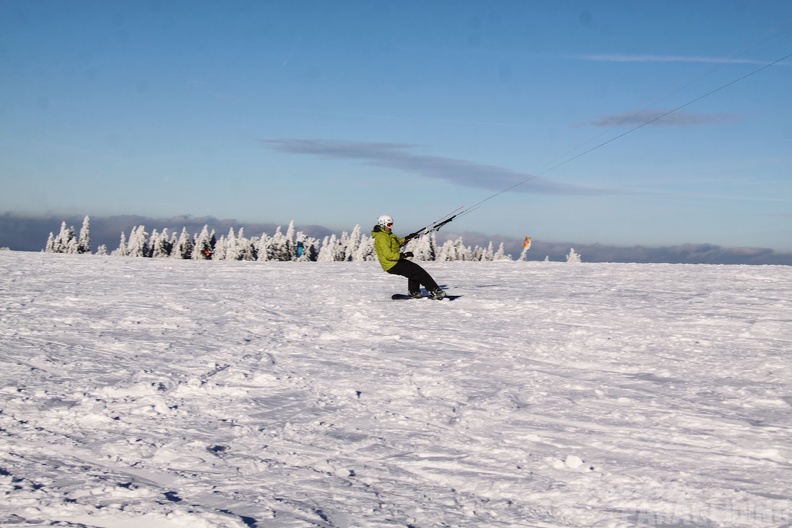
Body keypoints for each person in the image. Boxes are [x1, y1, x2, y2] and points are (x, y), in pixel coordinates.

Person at [371, 215, 445, 300]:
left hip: (394, 262)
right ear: (382, 225)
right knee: (417, 271)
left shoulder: (388, 234)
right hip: (391, 264)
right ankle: (434, 291)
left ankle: (414, 292)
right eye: (389, 224)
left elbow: (397, 243)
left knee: (414, 271)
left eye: (391, 224)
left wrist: (407, 238)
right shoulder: (382, 237)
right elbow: (388, 255)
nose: (391, 226)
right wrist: (403, 255)